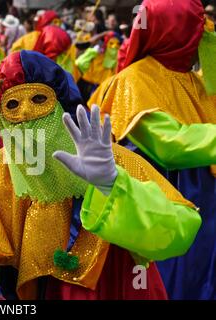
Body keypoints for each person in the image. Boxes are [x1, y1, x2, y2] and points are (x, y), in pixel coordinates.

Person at [0, 51, 201, 300]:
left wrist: (115, 186)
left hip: (112, 286)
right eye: (12, 105)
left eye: (38, 99)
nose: (26, 113)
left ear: (62, 103)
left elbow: (180, 228)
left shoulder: (110, 159)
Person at [89, 0, 216, 299]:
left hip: (204, 199)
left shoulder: (192, 78)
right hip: (167, 201)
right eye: (199, 27)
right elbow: (169, 145)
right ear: (175, 33)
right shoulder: (133, 81)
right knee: (173, 281)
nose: (206, 35)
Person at [76, 31, 122, 101]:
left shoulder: (97, 53)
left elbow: (80, 63)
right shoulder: (119, 57)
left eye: (117, 44)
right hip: (100, 89)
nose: (114, 47)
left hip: (93, 88)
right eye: (111, 43)